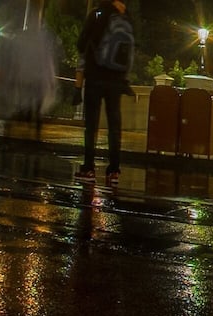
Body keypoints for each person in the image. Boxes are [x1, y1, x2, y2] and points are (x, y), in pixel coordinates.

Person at [76, 0, 133, 182]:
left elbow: (81, 44)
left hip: (95, 76)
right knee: (114, 126)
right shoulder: (125, 17)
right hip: (116, 80)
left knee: (91, 125)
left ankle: (88, 168)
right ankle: (114, 170)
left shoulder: (96, 14)